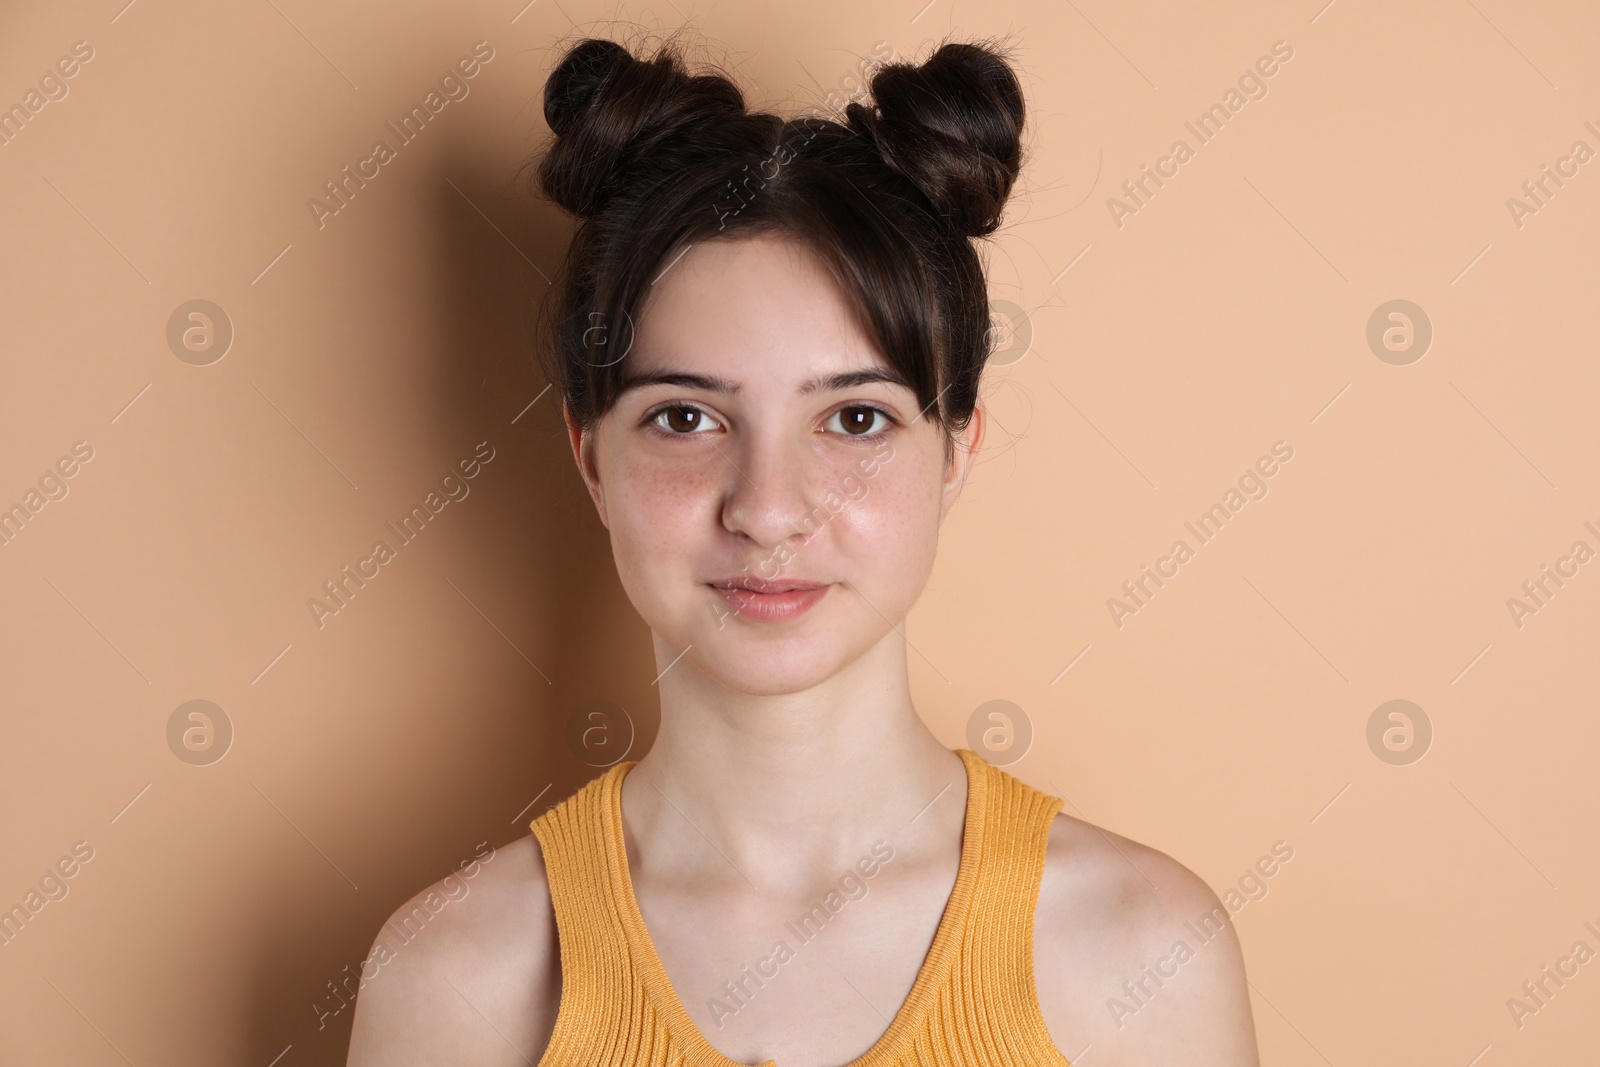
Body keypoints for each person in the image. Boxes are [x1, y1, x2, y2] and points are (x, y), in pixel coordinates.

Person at [347, 31, 1259, 1067]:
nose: (769, 510)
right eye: (686, 418)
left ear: (954, 449)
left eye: (856, 420)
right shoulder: (456, 977)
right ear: (590, 456)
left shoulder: (1142, 957)